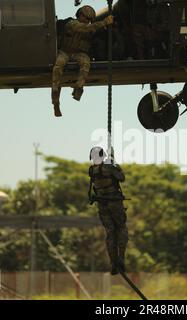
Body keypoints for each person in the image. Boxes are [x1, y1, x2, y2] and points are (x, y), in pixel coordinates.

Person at [52, 6, 114, 117]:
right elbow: (85, 29)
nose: (86, 21)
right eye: (85, 17)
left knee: (86, 63)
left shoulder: (89, 27)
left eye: (89, 19)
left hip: (78, 54)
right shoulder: (72, 24)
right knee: (58, 66)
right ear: (79, 15)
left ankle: (79, 88)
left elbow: (93, 32)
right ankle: (56, 101)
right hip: (65, 52)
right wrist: (104, 22)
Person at [88, 147, 129, 275]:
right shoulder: (109, 167)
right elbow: (121, 178)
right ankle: (121, 259)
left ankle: (113, 263)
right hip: (114, 203)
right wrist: (114, 163)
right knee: (121, 229)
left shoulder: (92, 170)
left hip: (102, 205)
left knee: (110, 233)